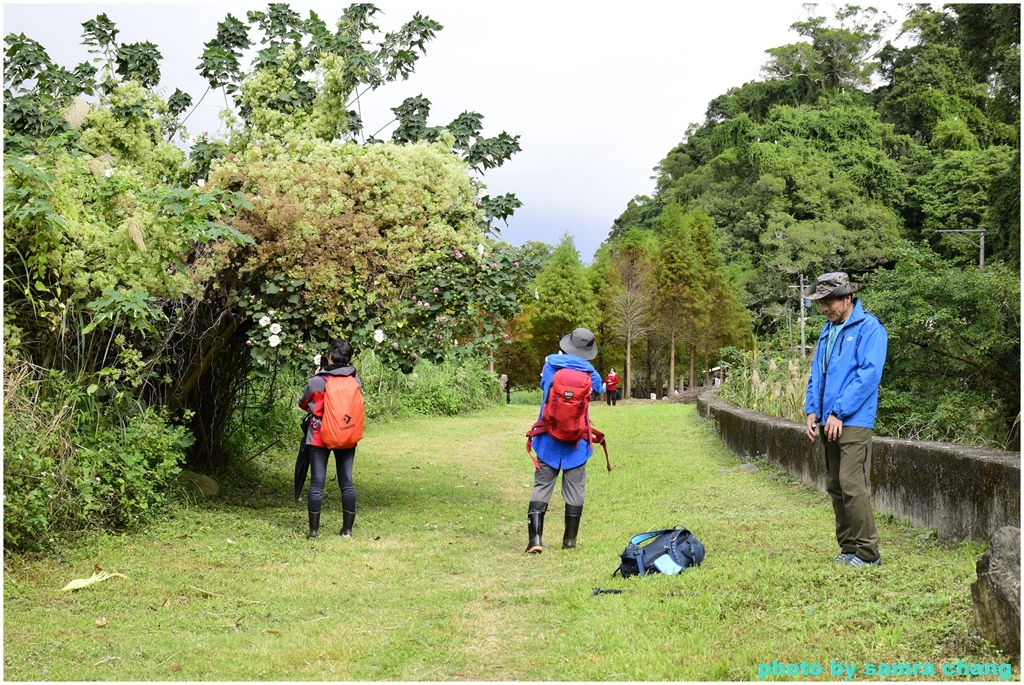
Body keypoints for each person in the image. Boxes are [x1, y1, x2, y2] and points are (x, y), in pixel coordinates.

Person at [803, 272, 888, 568]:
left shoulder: (870, 328)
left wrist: (840, 411)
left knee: (852, 484)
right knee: (835, 486)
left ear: (847, 297)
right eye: (821, 303)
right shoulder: (827, 331)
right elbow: (817, 374)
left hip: (853, 421)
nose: (825, 308)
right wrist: (812, 410)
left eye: (829, 302)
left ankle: (868, 553)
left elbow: (869, 376)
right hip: (827, 421)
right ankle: (849, 547)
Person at [525, 328, 605, 553]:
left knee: (542, 485)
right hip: (576, 442)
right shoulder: (592, 373)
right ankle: (569, 542)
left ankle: (535, 540)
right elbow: (598, 390)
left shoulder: (551, 364)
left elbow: (544, 388)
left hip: (547, 438)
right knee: (576, 490)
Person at [298, 338, 362, 539]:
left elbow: (303, 404)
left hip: (319, 436)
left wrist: (315, 377)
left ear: (331, 356)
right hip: (346, 434)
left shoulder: (317, 381)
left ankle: (314, 532)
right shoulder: (355, 381)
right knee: (347, 483)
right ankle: (347, 531)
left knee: (317, 483)